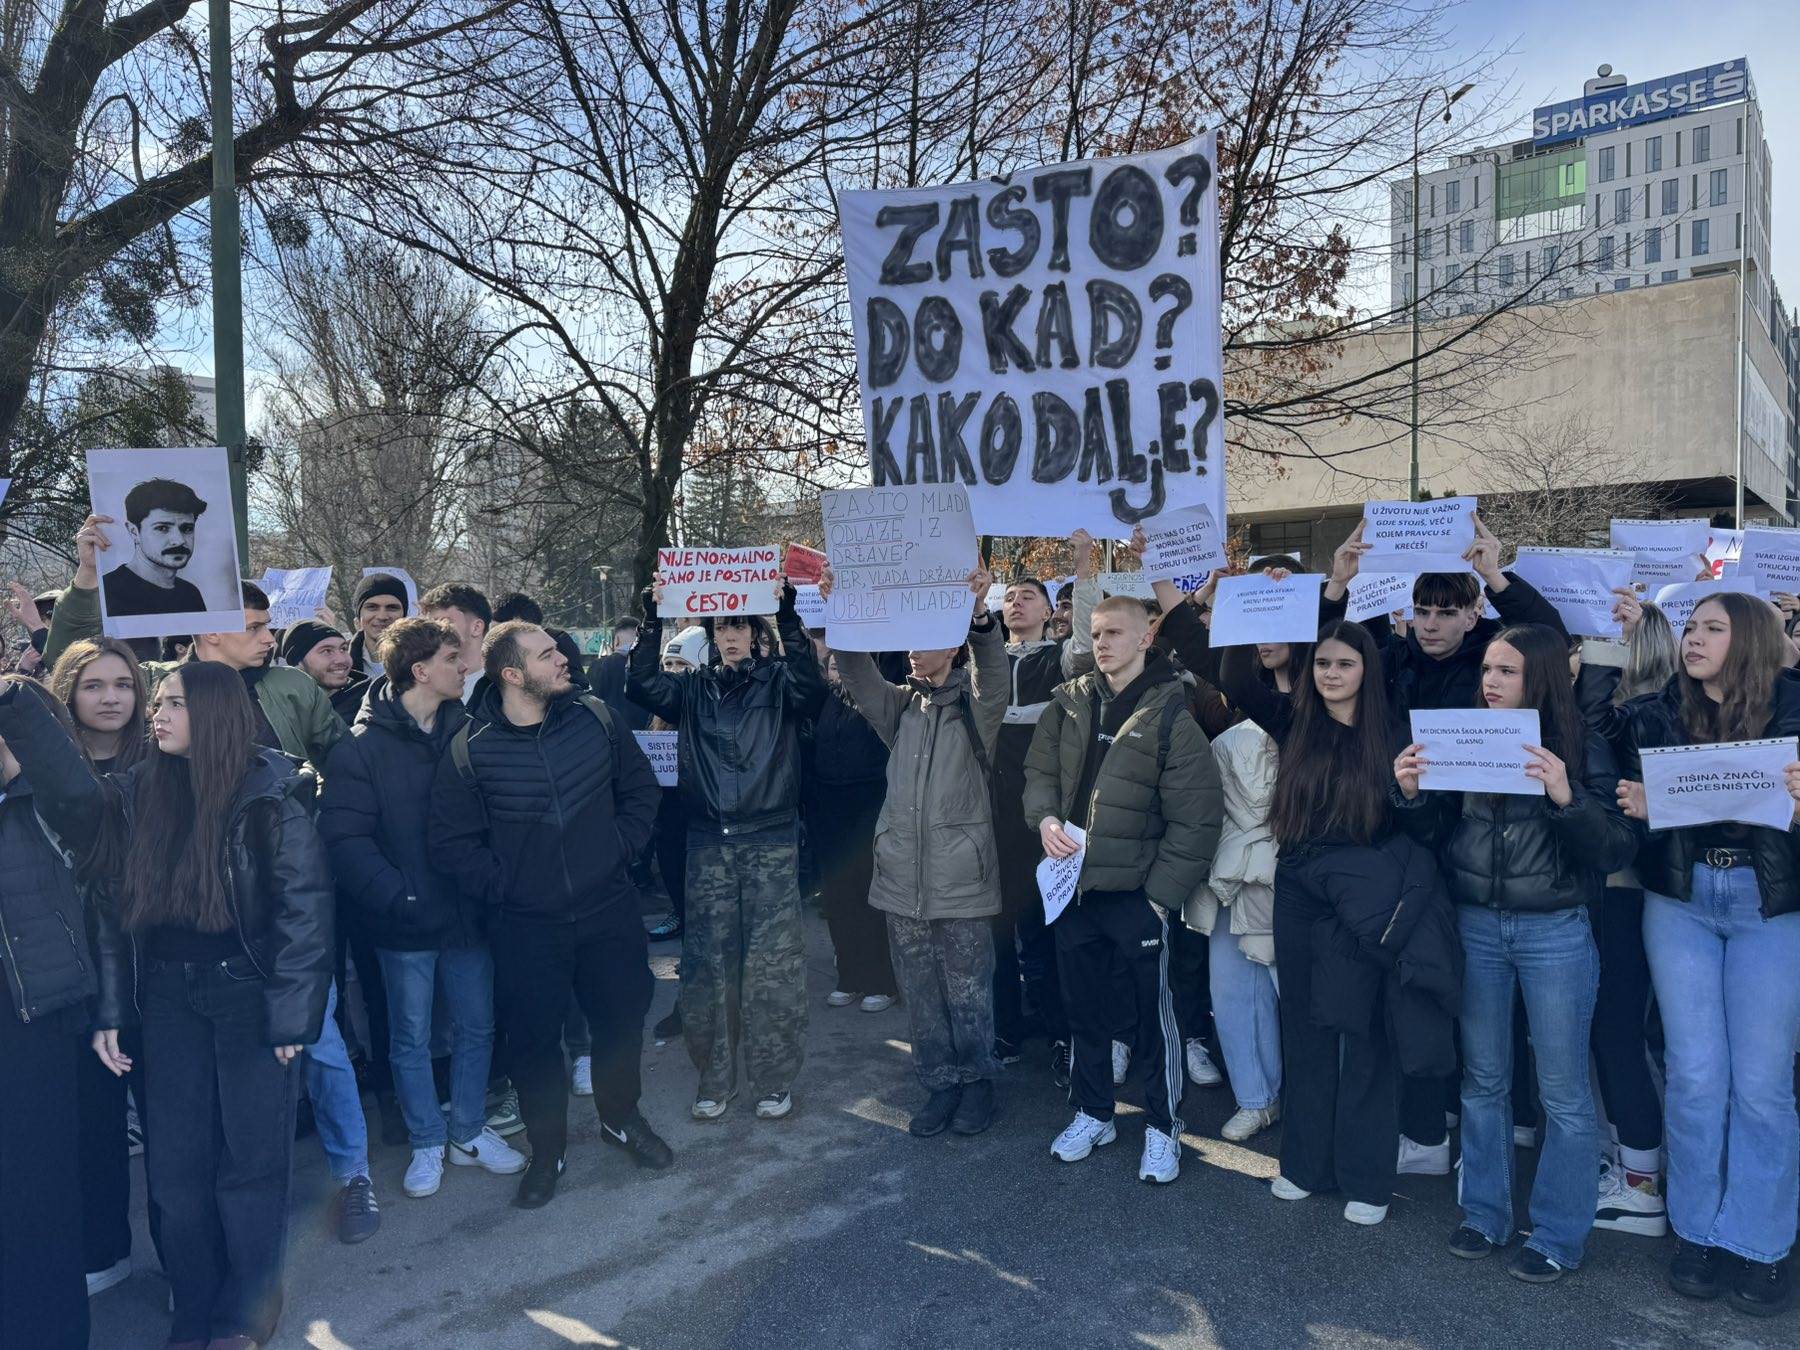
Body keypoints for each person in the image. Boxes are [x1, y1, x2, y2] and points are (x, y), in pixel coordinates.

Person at [0, 661, 336, 1350]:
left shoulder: (272, 789)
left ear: (214, 714)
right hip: (168, 1001)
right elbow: (110, 906)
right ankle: (194, 1310)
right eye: (158, 700)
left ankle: (245, 1316)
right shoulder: (133, 790)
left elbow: (306, 914)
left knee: (250, 1167)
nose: (155, 712)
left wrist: (292, 1018)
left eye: (174, 702)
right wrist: (115, 1012)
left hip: (250, 999)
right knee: (177, 1176)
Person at [1322, 513, 1569, 1176]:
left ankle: (1511, 1115)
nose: (1430, 623)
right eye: (1422, 611)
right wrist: (1339, 584)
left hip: (1485, 853)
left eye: (1445, 611)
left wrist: (1495, 575)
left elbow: (1549, 640)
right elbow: (1333, 650)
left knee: (1492, 1001)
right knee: (1434, 989)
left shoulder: (1493, 654)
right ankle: (1435, 1125)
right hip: (1411, 843)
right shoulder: (1394, 658)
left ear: (1471, 614)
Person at [1395, 623, 1636, 1283]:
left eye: (1507, 671)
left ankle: (1558, 1233)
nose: (1491, 682)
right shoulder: (1465, 733)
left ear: (1542, 678)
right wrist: (1411, 795)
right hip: (1475, 925)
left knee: (1561, 1090)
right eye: (1489, 670)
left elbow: (1617, 847)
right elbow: (1441, 833)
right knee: (1484, 1081)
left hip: (1555, 929)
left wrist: (1566, 798)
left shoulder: (1580, 742)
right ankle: (1485, 1215)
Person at [1221, 615, 1460, 1225]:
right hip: (1300, 888)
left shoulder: (1397, 733)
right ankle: (1304, 1165)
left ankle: (1367, 1179)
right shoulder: (1296, 720)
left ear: (1367, 671)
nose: (1330, 674)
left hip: (1367, 896)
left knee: (1364, 1034)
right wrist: (1318, 597)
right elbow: (1230, 674)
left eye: (1344, 664)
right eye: (1322, 663)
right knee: (1303, 1026)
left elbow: (1432, 832)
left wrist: (1410, 795)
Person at [429, 620, 670, 1208]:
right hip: (526, 926)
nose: (563, 657)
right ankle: (549, 1147)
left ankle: (621, 1118)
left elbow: (641, 792)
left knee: (619, 1022)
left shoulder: (597, 718)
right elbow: (451, 843)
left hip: (608, 910)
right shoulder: (469, 746)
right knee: (534, 1044)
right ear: (512, 674)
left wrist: (618, 849)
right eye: (546, 654)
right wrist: (509, 887)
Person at [1610, 592, 1800, 1316]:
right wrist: (1645, 812)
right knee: (1694, 1075)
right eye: (1690, 626)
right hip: (1682, 904)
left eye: (1712, 628)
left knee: (1760, 1083)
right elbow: (1625, 817)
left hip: (1771, 908)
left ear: (1749, 639)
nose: (1693, 637)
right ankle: (1698, 1233)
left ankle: (1760, 1243)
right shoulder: (1653, 714)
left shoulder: (1795, 709)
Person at [321, 618, 527, 1202]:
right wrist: (399, 895)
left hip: (468, 914)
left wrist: (492, 882)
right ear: (420, 670)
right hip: (405, 921)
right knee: (410, 1039)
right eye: (453, 659)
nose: (466, 668)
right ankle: (427, 1140)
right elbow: (345, 840)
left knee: (476, 1026)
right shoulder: (359, 747)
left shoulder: (476, 730)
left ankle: (466, 1130)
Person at [1023, 595, 1222, 1185]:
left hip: (1136, 895)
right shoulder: (1069, 702)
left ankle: (1163, 1128)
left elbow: (1197, 820)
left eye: (1114, 633)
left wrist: (1159, 898)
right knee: (1083, 1012)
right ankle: (1093, 1112)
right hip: (1072, 891)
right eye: (1095, 632)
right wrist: (1046, 821)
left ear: (1144, 640)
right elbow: (1039, 775)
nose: (1101, 642)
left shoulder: (1171, 716)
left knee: (1154, 1022)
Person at [627, 575, 826, 1121]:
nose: (730, 634)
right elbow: (642, 684)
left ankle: (772, 1080)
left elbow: (814, 687)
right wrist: (653, 618)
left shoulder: (780, 684)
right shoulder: (691, 690)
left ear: (756, 634)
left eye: (739, 624)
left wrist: (787, 615)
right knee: (706, 967)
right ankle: (714, 1078)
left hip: (770, 841)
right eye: (721, 626)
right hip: (709, 844)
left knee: (773, 968)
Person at [829, 565, 1005, 1136]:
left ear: (951, 647)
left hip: (961, 879)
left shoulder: (976, 707)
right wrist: (842, 610)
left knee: (969, 989)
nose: (910, 651)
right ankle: (939, 1085)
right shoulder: (901, 709)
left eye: (923, 639)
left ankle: (978, 1085)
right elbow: (855, 674)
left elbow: (994, 677)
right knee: (921, 993)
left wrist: (980, 618)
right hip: (901, 880)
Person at [47, 637, 152, 1297]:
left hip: (161, 968)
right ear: (68, 694)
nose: (111, 697)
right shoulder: (44, 769)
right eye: (94, 685)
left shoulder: (163, 761)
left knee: (174, 1123)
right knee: (96, 1124)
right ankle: (106, 1250)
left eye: (122, 684)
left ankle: (192, 1257)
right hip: (79, 972)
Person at [0, 677, 100, 1350]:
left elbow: (83, 798)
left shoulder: (33, 802)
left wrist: (11, 706)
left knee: (37, 1197)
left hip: (27, 1021)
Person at [1577, 595, 1678, 1238]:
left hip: (1626, 887)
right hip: (1630, 888)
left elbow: (1594, 721)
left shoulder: (1644, 718)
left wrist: (1605, 648)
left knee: (1616, 1031)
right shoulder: (1664, 712)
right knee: (1615, 1032)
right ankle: (1633, 1164)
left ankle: (1641, 1183)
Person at [991, 535, 1098, 1081]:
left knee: (1046, 925)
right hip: (991, 815)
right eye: (1010, 595)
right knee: (995, 926)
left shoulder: (1061, 659)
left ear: (1048, 608)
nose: (1017, 601)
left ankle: (1061, 1034)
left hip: (1044, 812)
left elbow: (1087, 639)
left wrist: (1082, 567)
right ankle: (1006, 1027)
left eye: (1029, 594)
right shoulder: (979, 660)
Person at [804, 651, 898, 1011]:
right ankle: (851, 977)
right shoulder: (822, 702)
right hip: (830, 813)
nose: (839, 670)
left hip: (869, 808)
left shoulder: (882, 698)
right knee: (839, 899)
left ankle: (882, 982)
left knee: (871, 896)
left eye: (847, 663)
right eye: (833, 665)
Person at [102, 477, 211, 616]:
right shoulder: (107, 591)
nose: (179, 541)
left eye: (187, 528)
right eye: (162, 528)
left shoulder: (190, 594)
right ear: (134, 532)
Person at [282, 619, 367, 725]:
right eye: (327, 651)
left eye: (343, 649)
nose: (341, 659)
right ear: (298, 662)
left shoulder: (371, 704)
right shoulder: (284, 712)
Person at [420, 582, 492, 702]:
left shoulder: (500, 688)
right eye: (431, 624)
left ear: (476, 627)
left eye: (444, 622)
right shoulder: (422, 682)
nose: (435, 630)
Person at [591, 616, 652, 730]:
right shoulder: (650, 668)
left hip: (608, 733)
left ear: (616, 640)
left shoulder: (598, 666)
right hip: (643, 736)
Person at [350, 574, 409, 678]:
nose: (382, 617)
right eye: (372, 607)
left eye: (392, 608)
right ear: (359, 617)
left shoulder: (426, 660)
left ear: (404, 616)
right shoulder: (341, 664)